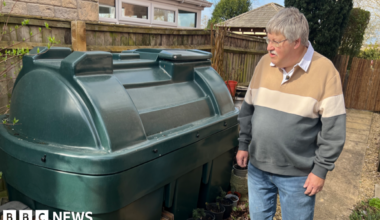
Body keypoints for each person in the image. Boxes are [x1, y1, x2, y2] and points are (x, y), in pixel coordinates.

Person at [236, 7, 346, 220]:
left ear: (296, 41)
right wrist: (243, 144)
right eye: (268, 40)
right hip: (258, 169)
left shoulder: (325, 71)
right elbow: (247, 109)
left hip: (299, 177)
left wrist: (320, 170)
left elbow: (334, 129)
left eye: (276, 41)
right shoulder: (263, 65)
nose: (269, 47)